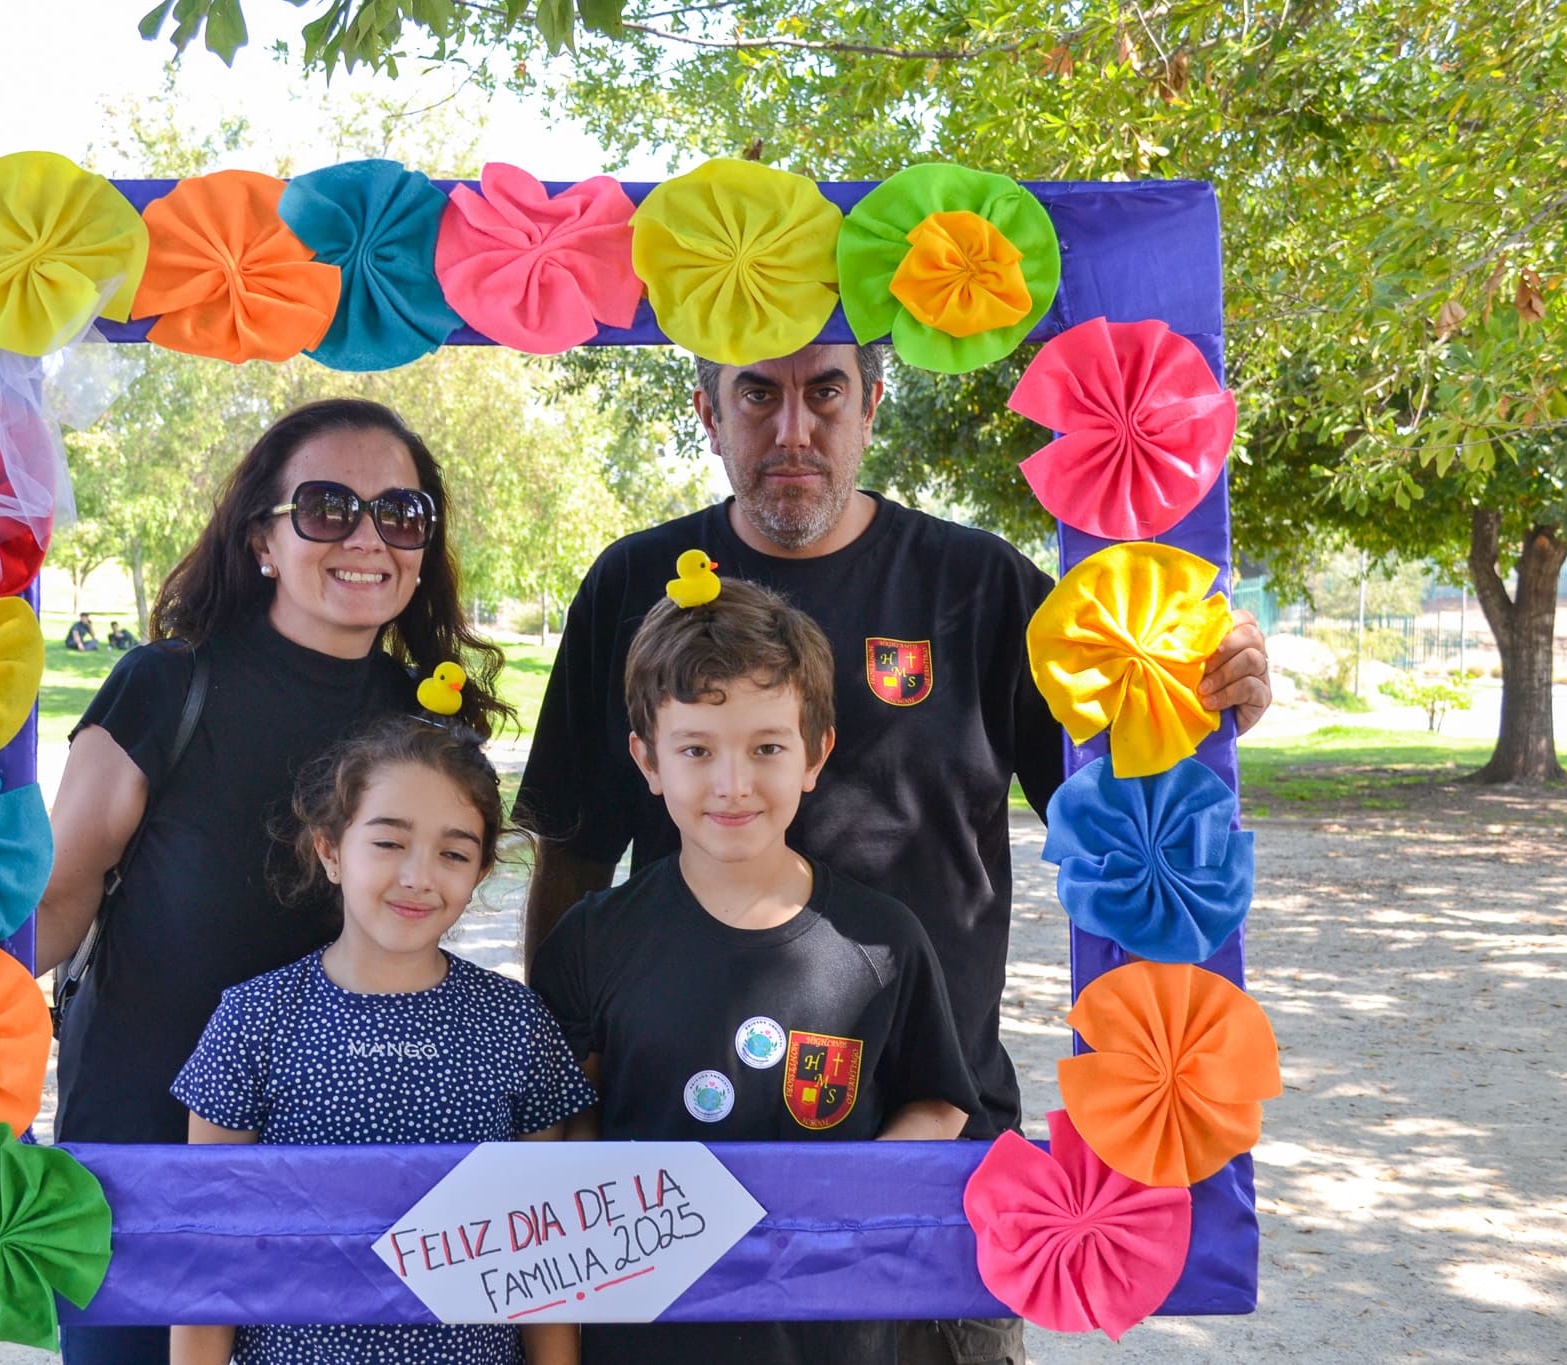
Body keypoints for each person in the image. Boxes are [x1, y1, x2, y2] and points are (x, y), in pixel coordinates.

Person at [514, 342, 1272, 1365]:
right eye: (756, 393)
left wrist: (1199, 697)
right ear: (706, 411)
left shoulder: (980, 587)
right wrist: (558, 1091)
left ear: (871, 403)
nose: (792, 429)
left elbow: (1122, 806)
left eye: (825, 391)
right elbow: (569, 857)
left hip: (940, 1149)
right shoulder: (630, 584)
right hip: (673, 1169)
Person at [0, 398, 512, 1365]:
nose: (367, 537)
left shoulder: (428, 730)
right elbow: (56, 904)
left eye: (401, 514)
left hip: (337, 1175)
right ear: (262, 540)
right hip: (145, 1165)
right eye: (327, 507)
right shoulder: (164, 687)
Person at [530, 577, 980, 1364]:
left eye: (767, 747)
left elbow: (938, 1102)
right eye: (696, 749)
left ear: (816, 753)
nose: (732, 784)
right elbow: (561, 1141)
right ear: (647, 759)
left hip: (828, 1342)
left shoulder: (882, 942)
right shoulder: (592, 941)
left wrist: (847, 1203)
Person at [170, 715, 594, 1365]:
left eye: (453, 853)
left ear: (480, 871)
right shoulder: (253, 1020)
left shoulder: (517, 1024)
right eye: (390, 842)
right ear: (330, 850)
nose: (419, 876)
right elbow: (210, 1250)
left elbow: (545, 1260)